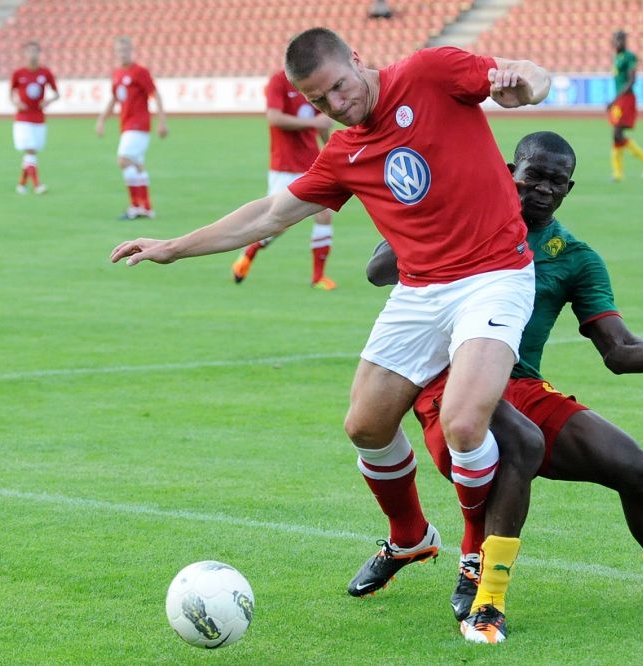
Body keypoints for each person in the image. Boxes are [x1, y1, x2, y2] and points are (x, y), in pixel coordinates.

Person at [110, 27, 551, 644]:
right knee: (365, 426)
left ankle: (475, 554)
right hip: (420, 289)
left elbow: (528, 75)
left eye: (340, 87)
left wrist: (524, 83)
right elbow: (269, 213)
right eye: (319, 101)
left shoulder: (429, 72)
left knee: (463, 423)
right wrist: (174, 247)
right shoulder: (344, 152)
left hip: (494, 275)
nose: (337, 105)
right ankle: (410, 537)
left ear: (357, 60)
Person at [367, 131, 643, 643]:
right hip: (451, 381)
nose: (545, 189)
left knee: (635, 467)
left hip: (520, 387)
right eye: (534, 177)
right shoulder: (464, 217)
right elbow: (377, 271)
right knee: (519, 444)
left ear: (569, 188)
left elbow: (618, 351)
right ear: (509, 172)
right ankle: (487, 601)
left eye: (557, 182)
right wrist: (435, 215)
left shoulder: (574, 256)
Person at [231, 69, 337, 289]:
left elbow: (321, 120)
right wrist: (313, 123)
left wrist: (329, 148)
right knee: (277, 222)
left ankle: (318, 277)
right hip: (285, 165)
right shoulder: (278, 81)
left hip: (312, 162)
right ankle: (251, 250)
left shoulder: (312, 80)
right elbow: (274, 118)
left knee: (324, 214)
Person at [95, 36, 168, 220]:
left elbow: (155, 94)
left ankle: (135, 206)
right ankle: (146, 208)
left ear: (131, 51)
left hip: (138, 123)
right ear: (115, 52)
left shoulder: (140, 72)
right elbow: (115, 98)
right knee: (137, 164)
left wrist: (162, 121)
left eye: (126, 50)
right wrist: (102, 119)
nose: (123, 53)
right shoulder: (117, 73)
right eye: (120, 50)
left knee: (123, 159)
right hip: (126, 124)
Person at [608, 30, 643, 182]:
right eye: (616, 39)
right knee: (616, 134)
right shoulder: (617, 57)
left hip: (626, 98)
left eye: (621, 39)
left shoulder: (629, 57)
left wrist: (615, 99)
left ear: (625, 41)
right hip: (620, 99)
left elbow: (632, 80)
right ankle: (618, 173)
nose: (618, 42)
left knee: (617, 133)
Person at [10, 40, 59, 195]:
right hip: (23, 119)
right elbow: (11, 93)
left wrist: (48, 101)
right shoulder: (18, 73)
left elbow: (56, 93)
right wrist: (16, 102)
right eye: (29, 51)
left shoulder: (45, 73)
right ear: (25, 54)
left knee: (31, 153)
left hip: (39, 118)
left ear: (39, 53)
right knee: (30, 150)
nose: (32, 54)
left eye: (35, 51)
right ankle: (38, 185)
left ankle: (22, 184)